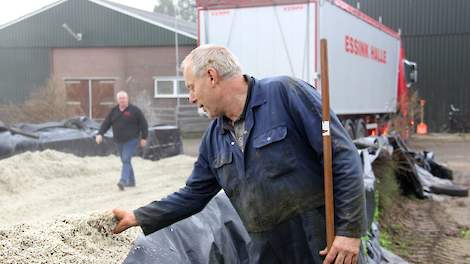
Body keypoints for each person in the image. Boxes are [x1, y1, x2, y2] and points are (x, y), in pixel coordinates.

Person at [112, 45, 366, 263]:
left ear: (211, 76)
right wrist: (138, 216)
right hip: (268, 251)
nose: (190, 98)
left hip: (322, 243)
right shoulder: (214, 139)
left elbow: (342, 157)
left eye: (191, 87)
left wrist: (349, 231)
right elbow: (193, 194)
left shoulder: (286, 94)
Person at [96, 91, 148, 191]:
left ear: (127, 99)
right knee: (126, 160)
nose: (122, 100)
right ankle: (132, 182)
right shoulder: (114, 111)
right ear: (118, 100)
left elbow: (143, 124)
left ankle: (123, 181)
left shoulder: (135, 110)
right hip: (119, 140)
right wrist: (100, 134)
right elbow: (106, 123)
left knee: (125, 159)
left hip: (132, 139)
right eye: (120, 98)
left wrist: (144, 138)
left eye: (124, 98)